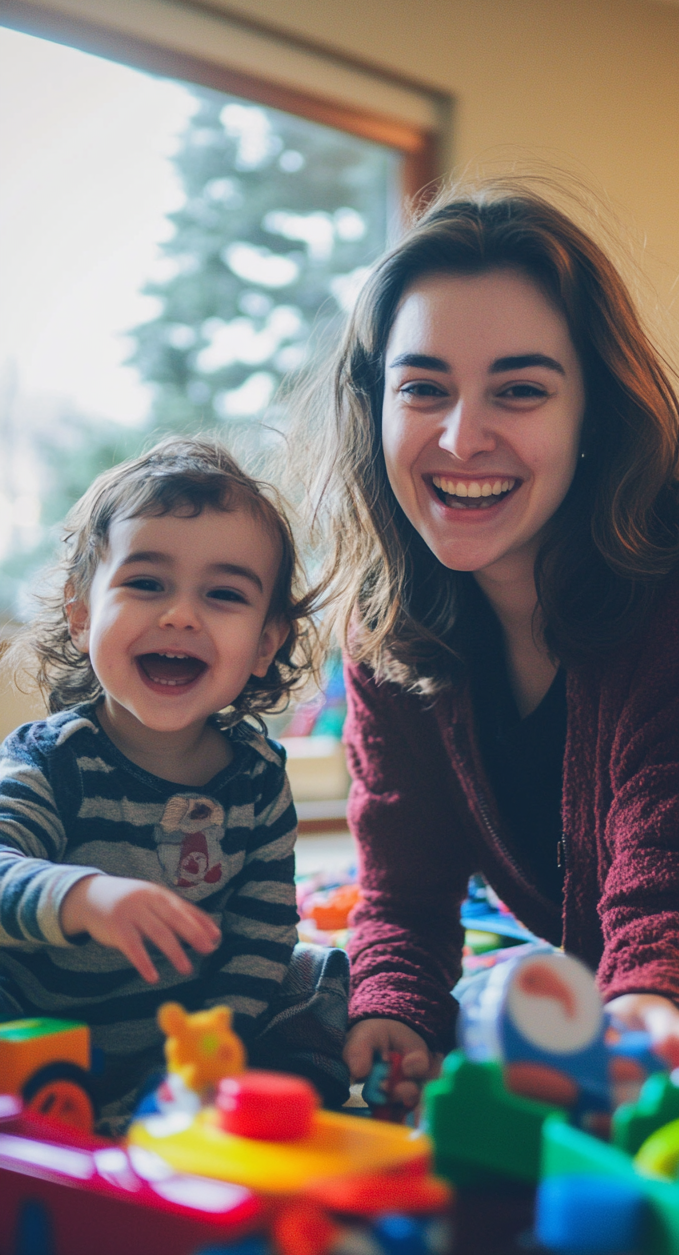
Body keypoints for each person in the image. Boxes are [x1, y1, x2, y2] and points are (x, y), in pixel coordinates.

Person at [292, 178, 679, 1160]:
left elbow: (677, 874)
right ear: (377, 404)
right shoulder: (384, 621)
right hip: (615, 939)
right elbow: (400, 893)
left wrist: (649, 1015)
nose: (459, 437)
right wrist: (394, 1013)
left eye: (519, 389)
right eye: (422, 387)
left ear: (591, 416)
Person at [0, 438, 349, 1129]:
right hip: (36, 1044)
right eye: (147, 583)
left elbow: (261, 937)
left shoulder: (256, 779)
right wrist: (84, 896)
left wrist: (215, 1040)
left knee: (318, 976)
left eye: (223, 594)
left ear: (264, 644)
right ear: (81, 614)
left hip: (191, 1045)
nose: (181, 615)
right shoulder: (52, 760)